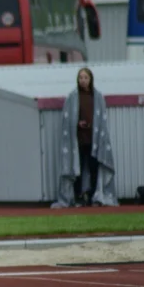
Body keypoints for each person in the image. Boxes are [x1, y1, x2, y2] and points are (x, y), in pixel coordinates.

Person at [52, 67, 118, 208]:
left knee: (94, 169)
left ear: (90, 79)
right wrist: (77, 123)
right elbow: (68, 119)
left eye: (85, 77)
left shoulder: (97, 97)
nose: (83, 80)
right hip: (78, 141)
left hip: (94, 141)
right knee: (77, 170)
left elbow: (102, 120)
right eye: (80, 77)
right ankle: (78, 198)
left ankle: (95, 197)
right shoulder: (72, 97)